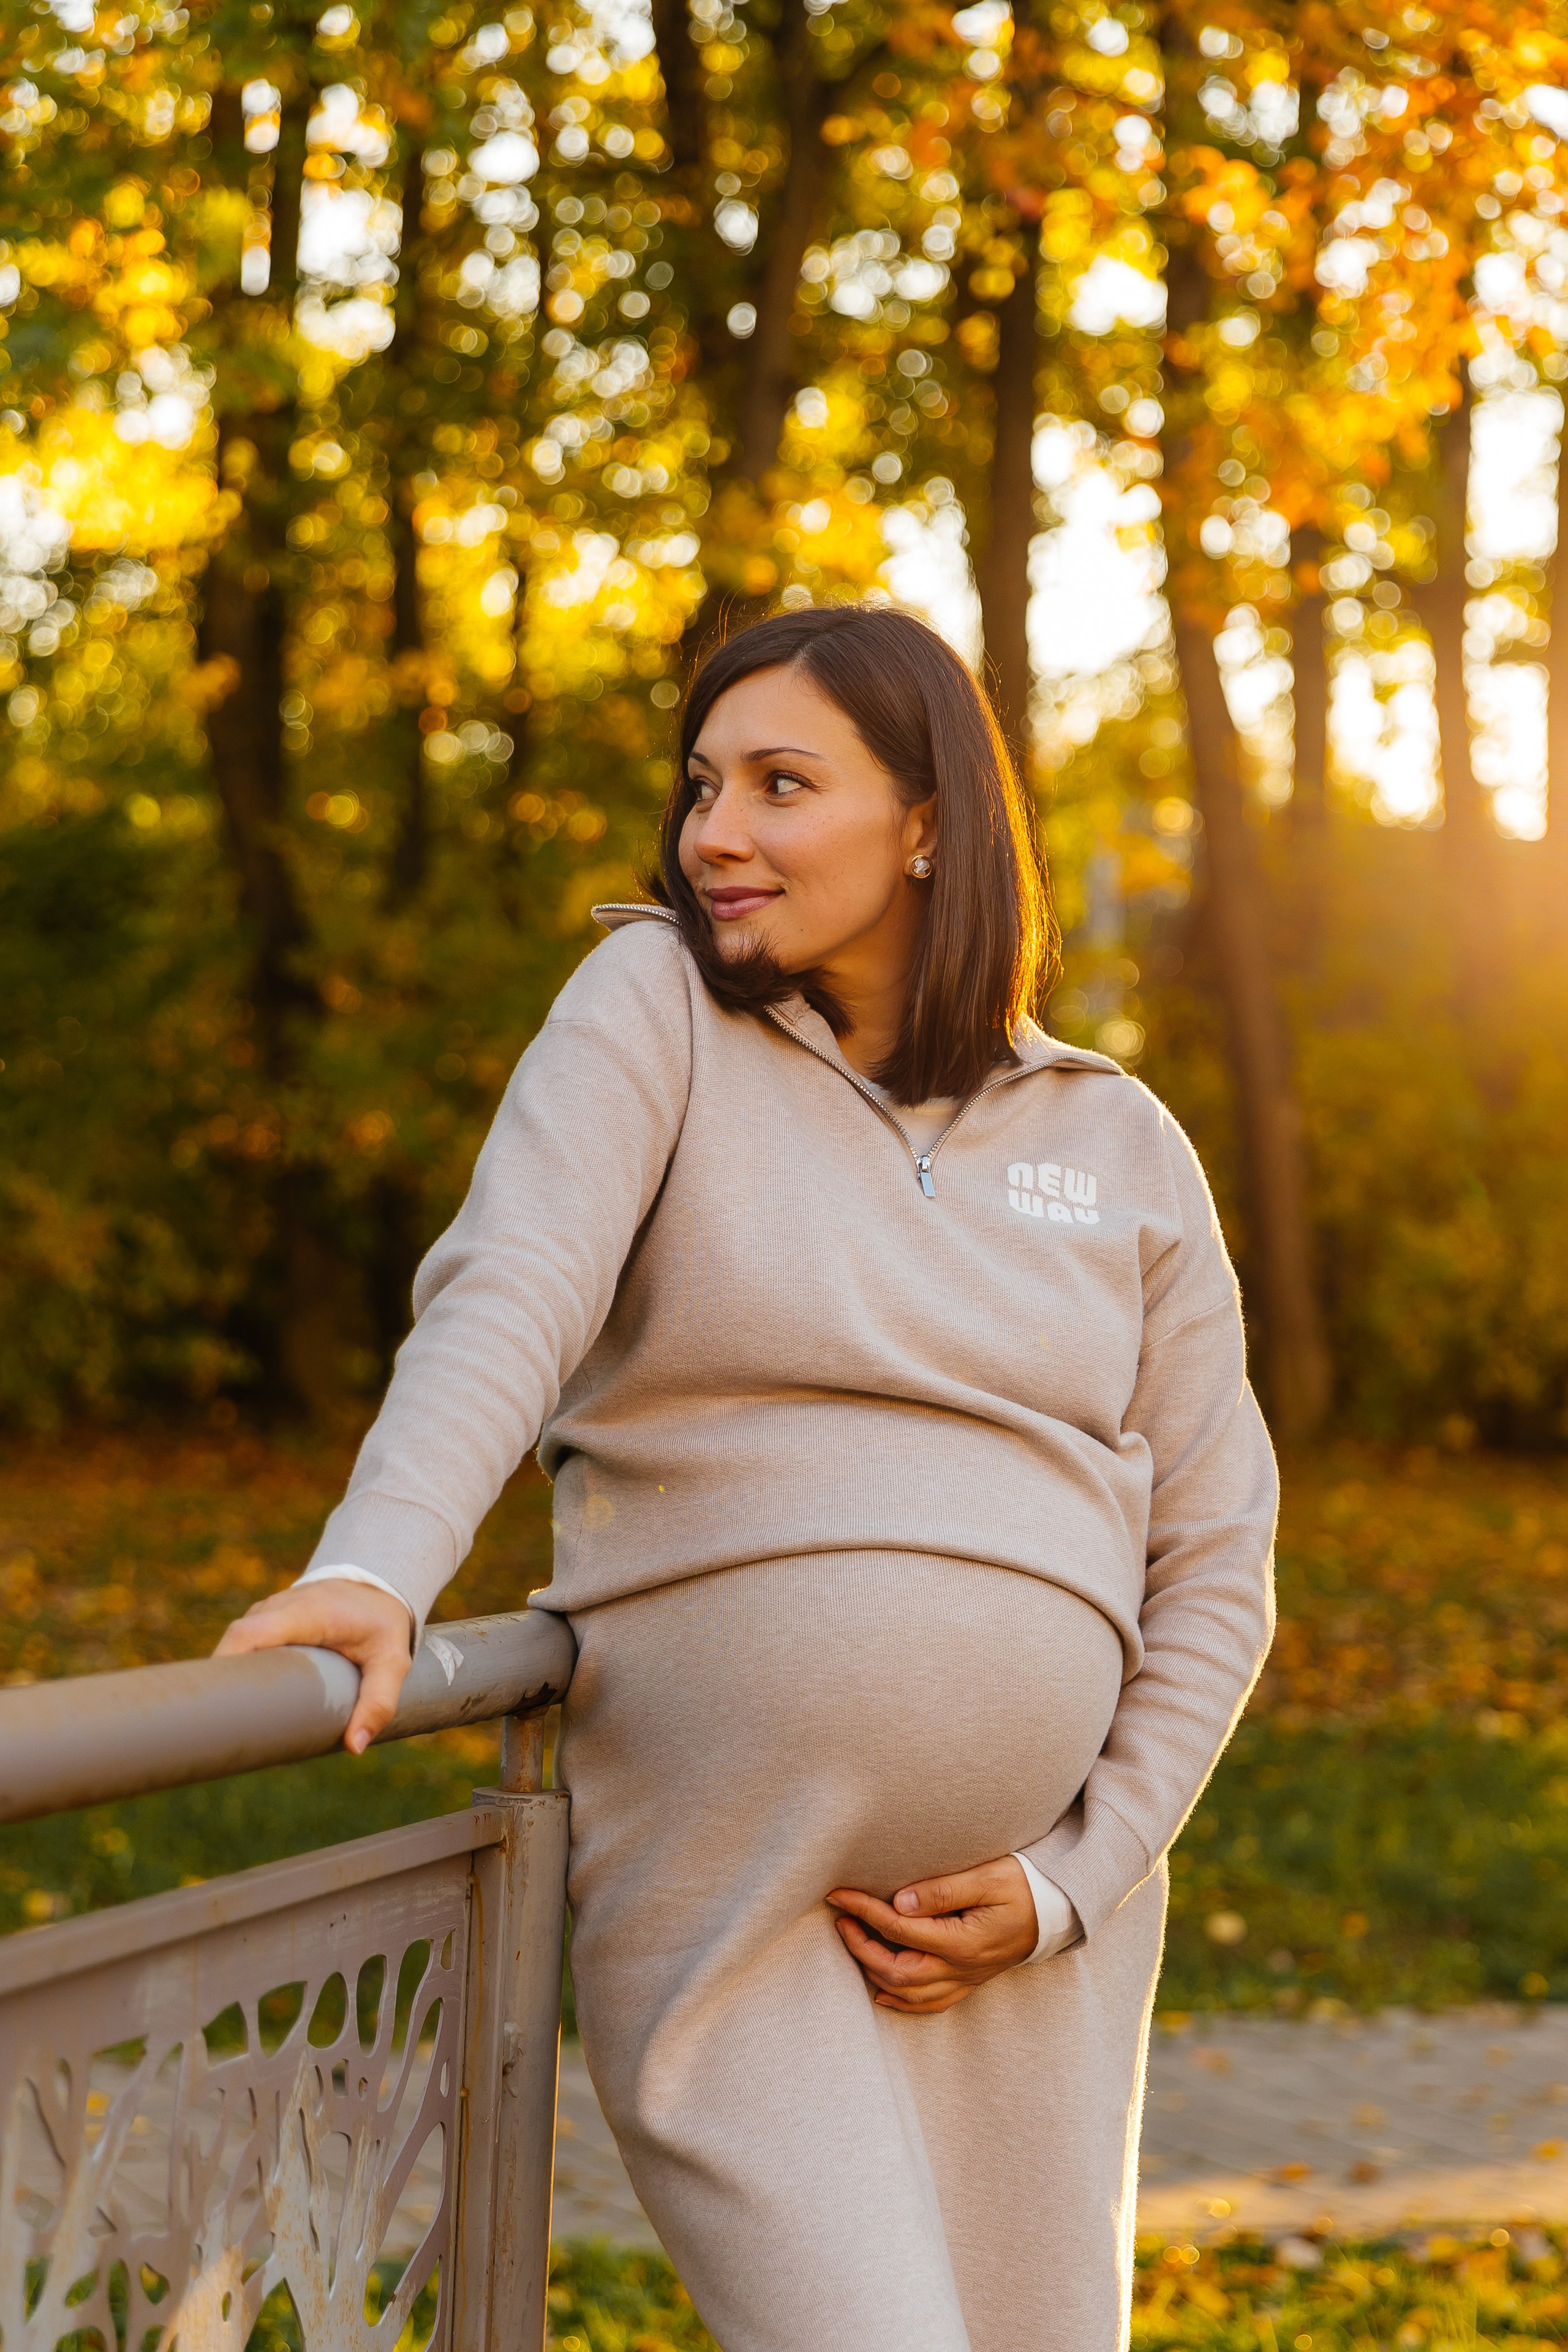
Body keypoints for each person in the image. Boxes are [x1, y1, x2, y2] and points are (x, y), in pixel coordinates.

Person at [217, 605, 1277, 2352]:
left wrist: (1078, 1877)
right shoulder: (652, 1006)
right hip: (740, 1879)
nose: (717, 829)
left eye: (783, 784)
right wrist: (383, 1559)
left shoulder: (1117, 1139)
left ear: (929, 822)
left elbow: (1220, 1547)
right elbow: (515, 1288)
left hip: (1037, 1920)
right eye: (705, 782)